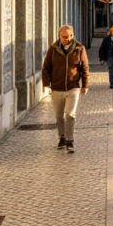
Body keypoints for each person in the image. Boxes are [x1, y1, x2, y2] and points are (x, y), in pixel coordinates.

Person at [41, 25, 89, 154]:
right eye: (63, 37)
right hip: (57, 87)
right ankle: (61, 137)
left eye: (68, 36)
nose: (66, 39)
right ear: (59, 36)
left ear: (72, 36)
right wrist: (46, 84)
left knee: (70, 114)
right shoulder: (53, 49)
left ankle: (70, 140)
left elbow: (84, 68)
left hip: (73, 87)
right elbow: (46, 68)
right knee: (59, 116)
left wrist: (85, 85)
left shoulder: (79, 48)